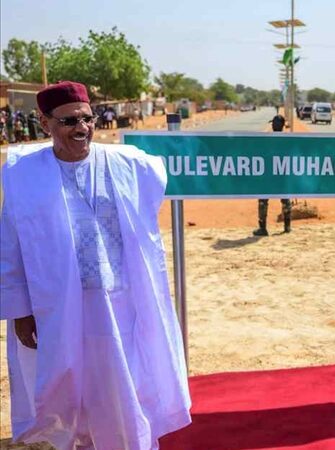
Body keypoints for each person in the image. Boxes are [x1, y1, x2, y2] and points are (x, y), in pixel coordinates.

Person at [0, 81, 191, 449]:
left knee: (126, 386)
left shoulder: (129, 165)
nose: (82, 128)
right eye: (70, 121)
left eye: (88, 119)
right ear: (45, 124)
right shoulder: (24, 175)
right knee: (71, 388)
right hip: (58, 306)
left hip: (119, 302)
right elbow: (11, 243)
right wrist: (20, 310)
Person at [254, 114, 292, 236]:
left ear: (274, 125)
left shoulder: (266, 139)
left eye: (273, 124)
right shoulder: (288, 140)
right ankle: (287, 226)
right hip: (282, 175)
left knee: (263, 201)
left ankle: (263, 228)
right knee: (285, 200)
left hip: (268, 175)